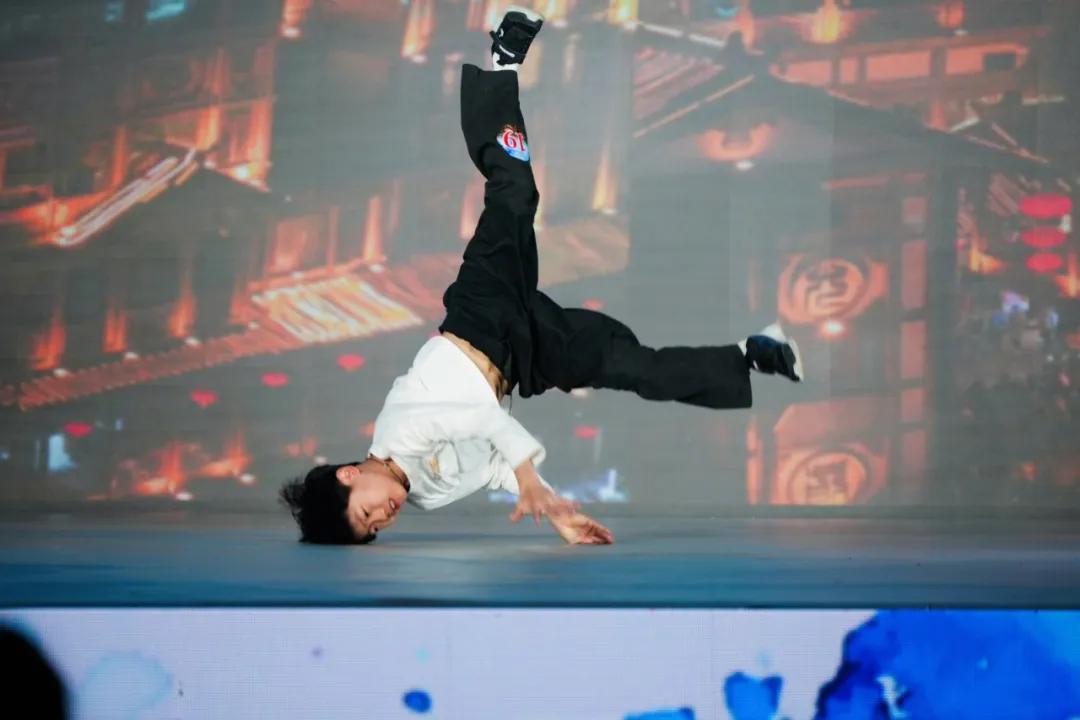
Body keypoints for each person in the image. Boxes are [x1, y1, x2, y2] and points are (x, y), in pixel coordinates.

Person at [280, 7, 803, 546]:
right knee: (633, 367)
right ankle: (753, 354)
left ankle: (501, 65)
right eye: (374, 528)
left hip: (479, 317)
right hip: (523, 357)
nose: (383, 517)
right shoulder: (428, 495)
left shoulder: (398, 431)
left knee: (515, 193)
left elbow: (486, 423)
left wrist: (529, 479)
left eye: (366, 512)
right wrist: (555, 510)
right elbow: (495, 467)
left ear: (349, 476)